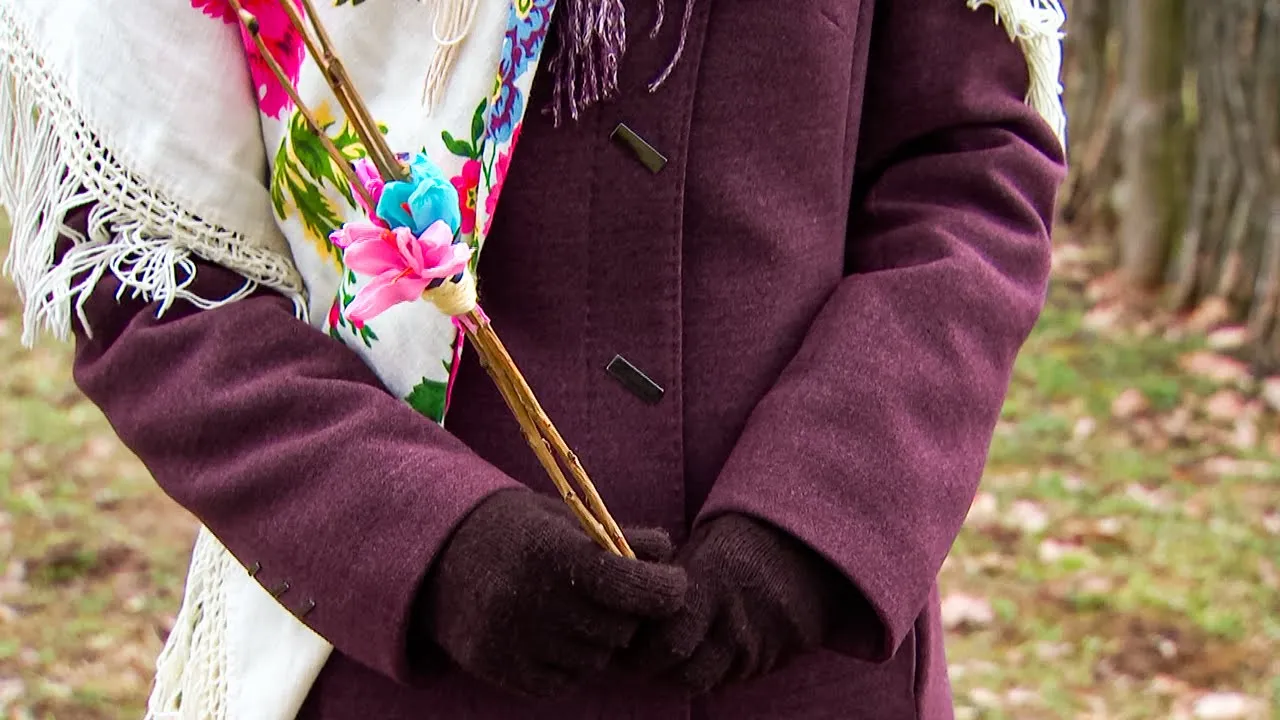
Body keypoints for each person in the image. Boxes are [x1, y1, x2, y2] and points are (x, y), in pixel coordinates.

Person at [0, 0, 1067, 717]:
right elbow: (147, 260)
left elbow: (965, 161)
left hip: (811, 664)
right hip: (396, 662)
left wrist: (819, 515)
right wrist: (430, 541)